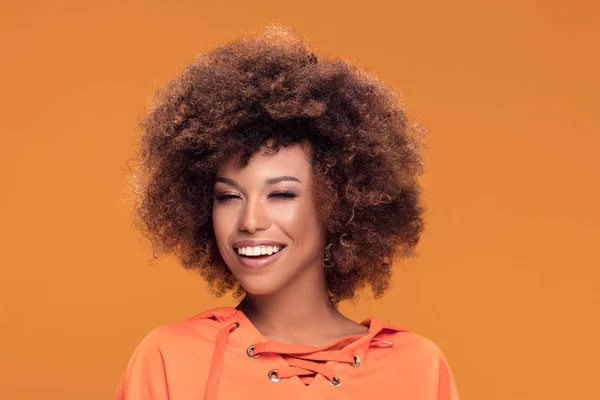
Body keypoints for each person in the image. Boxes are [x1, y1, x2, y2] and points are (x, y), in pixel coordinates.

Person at [115, 24, 459, 400]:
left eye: (280, 194)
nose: (250, 222)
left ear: (339, 201)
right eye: (229, 197)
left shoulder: (416, 368)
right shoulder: (169, 359)